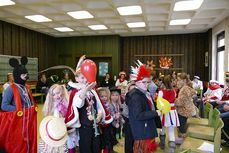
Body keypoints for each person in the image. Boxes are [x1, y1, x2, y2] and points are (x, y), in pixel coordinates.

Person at [64, 55, 112, 153]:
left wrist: (100, 115)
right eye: (82, 77)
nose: (85, 80)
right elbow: (79, 104)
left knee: (96, 146)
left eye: (86, 77)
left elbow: (99, 105)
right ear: (76, 79)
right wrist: (86, 90)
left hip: (95, 125)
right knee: (86, 147)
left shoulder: (93, 91)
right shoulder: (76, 92)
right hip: (84, 126)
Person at [0, 56, 37, 152]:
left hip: (28, 121)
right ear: (17, 75)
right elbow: (4, 106)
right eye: (24, 75)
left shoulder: (26, 87)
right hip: (17, 122)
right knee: (19, 143)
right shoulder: (10, 89)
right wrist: (18, 109)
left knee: (28, 140)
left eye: (26, 74)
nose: (26, 77)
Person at [126, 60, 160, 153]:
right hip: (142, 131)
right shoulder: (136, 96)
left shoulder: (143, 93)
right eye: (143, 82)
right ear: (136, 82)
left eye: (148, 82)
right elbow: (139, 115)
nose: (146, 85)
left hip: (145, 129)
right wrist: (156, 113)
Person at [174, 72, 199, 144]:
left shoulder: (184, 89)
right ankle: (181, 135)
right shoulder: (185, 88)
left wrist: (173, 100)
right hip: (188, 109)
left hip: (185, 111)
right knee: (180, 120)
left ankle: (183, 138)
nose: (177, 82)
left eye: (179, 80)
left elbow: (181, 103)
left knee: (180, 121)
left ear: (184, 81)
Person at [157, 75, 179, 153]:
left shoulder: (161, 92)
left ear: (163, 82)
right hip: (172, 112)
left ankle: (162, 144)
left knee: (162, 128)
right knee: (171, 130)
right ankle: (171, 149)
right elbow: (174, 100)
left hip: (164, 112)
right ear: (171, 82)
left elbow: (159, 103)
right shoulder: (174, 91)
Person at [97, 87, 115, 153]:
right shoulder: (98, 106)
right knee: (102, 141)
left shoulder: (109, 105)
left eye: (105, 96)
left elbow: (112, 115)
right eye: (102, 96)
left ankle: (109, 150)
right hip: (101, 127)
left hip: (109, 126)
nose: (104, 98)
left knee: (109, 139)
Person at [122, 81, 136, 153]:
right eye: (131, 90)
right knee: (128, 142)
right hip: (129, 122)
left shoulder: (138, 99)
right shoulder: (127, 100)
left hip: (137, 124)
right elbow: (125, 113)